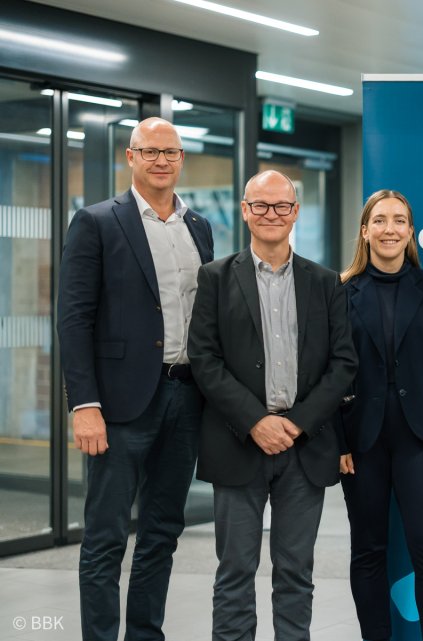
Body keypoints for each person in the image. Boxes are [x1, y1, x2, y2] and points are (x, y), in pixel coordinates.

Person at [57, 117, 213, 641]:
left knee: (162, 533)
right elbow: (74, 319)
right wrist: (85, 404)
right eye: (150, 151)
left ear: (181, 159)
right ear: (130, 157)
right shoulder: (97, 222)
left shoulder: (199, 227)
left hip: (185, 395)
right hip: (119, 406)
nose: (161, 161)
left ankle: (146, 634)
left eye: (170, 152)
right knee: (105, 537)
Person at [187, 170, 358, 641]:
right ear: (244, 210)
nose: (271, 215)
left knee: (296, 574)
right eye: (260, 205)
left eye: (281, 206)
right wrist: (256, 420)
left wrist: (298, 423)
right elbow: (205, 359)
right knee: (235, 572)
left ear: (295, 212)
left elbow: (343, 363)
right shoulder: (216, 278)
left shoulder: (325, 282)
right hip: (237, 443)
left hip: (305, 450)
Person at [338, 189, 423, 641]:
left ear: (410, 232)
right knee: (367, 552)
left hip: (420, 438)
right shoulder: (342, 290)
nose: (389, 228)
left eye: (399, 221)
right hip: (361, 442)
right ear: (365, 230)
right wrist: (336, 442)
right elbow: (331, 373)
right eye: (380, 220)